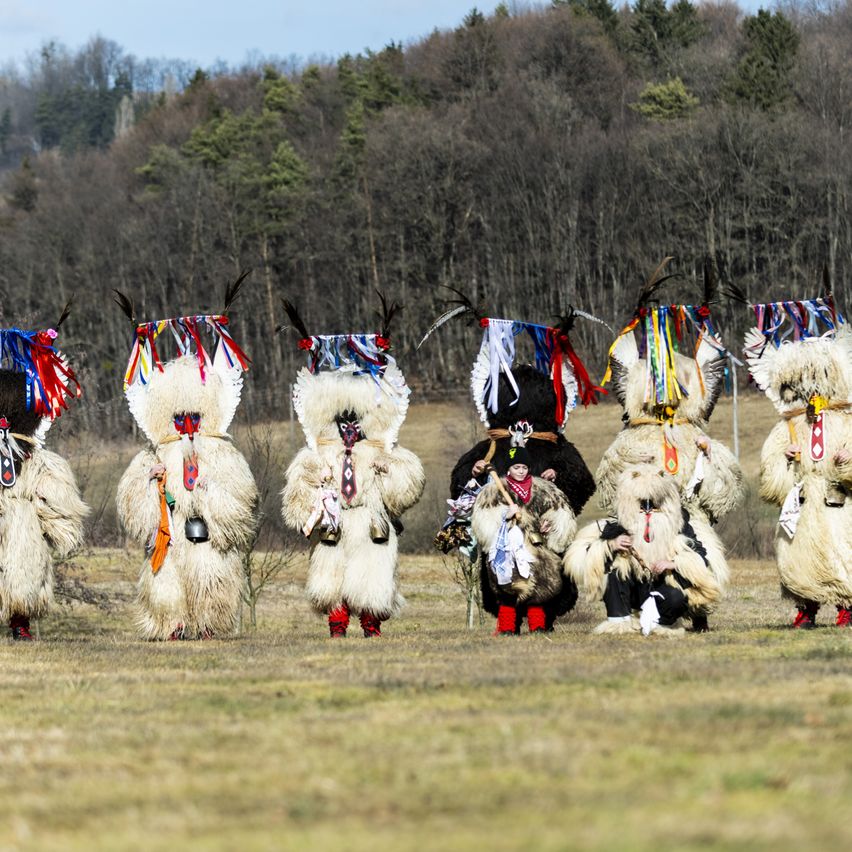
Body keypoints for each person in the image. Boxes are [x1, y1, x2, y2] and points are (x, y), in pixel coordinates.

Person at [115, 283, 257, 640]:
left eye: (192, 416)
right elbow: (132, 504)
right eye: (180, 417)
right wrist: (151, 482)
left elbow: (243, 498)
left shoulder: (222, 451)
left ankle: (209, 626)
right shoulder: (156, 451)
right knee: (168, 579)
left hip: (208, 535)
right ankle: (172, 624)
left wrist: (213, 492)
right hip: (171, 533)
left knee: (212, 579)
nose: (187, 424)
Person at [281, 299, 425, 637]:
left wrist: (387, 469)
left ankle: (371, 627)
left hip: (369, 517)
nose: (349, 427)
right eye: (343, 419)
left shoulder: (381, 447)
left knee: (372, 575)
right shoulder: (319, 450)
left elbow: (407, 488)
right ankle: (337, 627)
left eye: (354, 420)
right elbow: (295, 497)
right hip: (334, 520)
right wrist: (314, 478)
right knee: (332, 575)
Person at [744, 313, 852, 629]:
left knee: (842, 551)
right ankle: (806, 608)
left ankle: (846, 607)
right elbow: (769, 469)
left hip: (838, 503)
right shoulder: (789, 425)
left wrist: (847, 459)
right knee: (797, 557)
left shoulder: (845, 421)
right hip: (803, 503)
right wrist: (785, 458)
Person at [0, 317, 88, 640]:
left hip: (21, 517)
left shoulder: (31, 453)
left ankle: (19, 624)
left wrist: (47, 505)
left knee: (23, 570)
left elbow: (52, 484)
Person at [565, 467, 727, 636]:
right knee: (614, 569)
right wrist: (612, 544)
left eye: (653, 503)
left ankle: (662, 623)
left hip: (662, 585)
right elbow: (587, 553)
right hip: (632, 587)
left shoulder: (679, 524)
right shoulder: (619, 522)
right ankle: (619, 621)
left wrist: (673, 564)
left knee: (676, 598)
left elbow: (701, 555)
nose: (648, 508)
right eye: (643, 503)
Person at [470, 443, 577, 635]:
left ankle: (537, 627)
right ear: (509, 468)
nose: (520, 471)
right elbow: (483, 518)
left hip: (537, 548)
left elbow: (561, 512)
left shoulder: (544, 489)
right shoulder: (493, 491)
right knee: (507, 589)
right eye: (516, 467)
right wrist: (505, 515)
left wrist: (550, 524)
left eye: (524, 467)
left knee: (539, 589)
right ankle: (506, 628)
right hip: (507, 549)